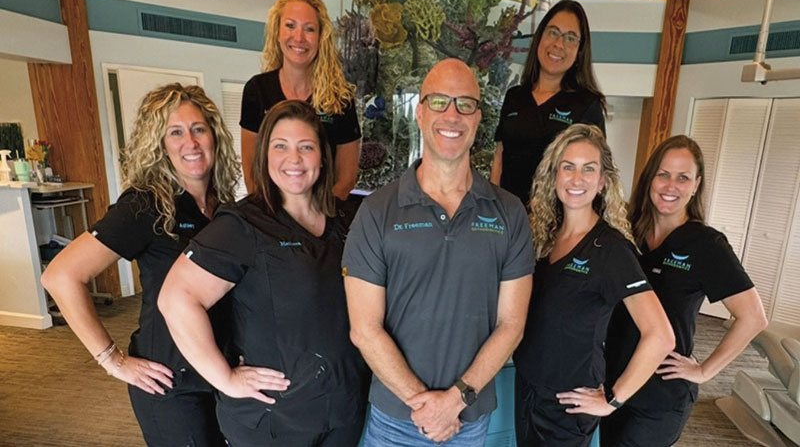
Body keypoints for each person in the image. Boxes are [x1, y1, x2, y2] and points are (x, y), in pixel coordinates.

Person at [342, 58, 535, 446]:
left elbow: (511, 324)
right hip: (395, 421)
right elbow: (364, 329)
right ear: (419, 112)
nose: (452, 115)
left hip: (468, 419)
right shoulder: (377, 211)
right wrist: (427, 408)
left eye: (465, 104)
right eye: (439, 101)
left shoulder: (510, 212)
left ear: (478, 118)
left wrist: (455, 401)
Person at [158, 100, 369, 447]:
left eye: (306, 147)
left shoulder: (347, 220)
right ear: (264, 156)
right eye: (280, 146)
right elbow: (176, 298)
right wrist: (225, 379)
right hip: (274, 419)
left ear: (322, 157)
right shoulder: (244, 223)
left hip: (343, 410)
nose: (294, 159)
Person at [41, 83, 239, 447]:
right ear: (159, 144)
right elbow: (60, 276)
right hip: (171, 383)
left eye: (198, 129)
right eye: (175, 132)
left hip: (219, 372)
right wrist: (112, 360)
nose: (191, 142)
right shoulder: (146, 205)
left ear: (214, 136)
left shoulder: (223, 205)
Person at [513, 123, 674, 447]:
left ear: (602, 181)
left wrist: (613, 400)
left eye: (589, 169)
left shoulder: (611, 249)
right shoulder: (543, 238)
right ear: (554, 176)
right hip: (528, 388)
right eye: (568, 167)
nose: (577, 179)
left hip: (569, 404)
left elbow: (661, 336)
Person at [601, 135, 768, 447]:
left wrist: (704, 371)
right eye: (663, 174)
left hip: (660, 394)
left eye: (683, 178)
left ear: (696, 185)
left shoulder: (706, 244)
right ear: (650, 178)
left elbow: (753, 317)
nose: (670, 186)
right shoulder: (625, 230)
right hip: (612, 380)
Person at [240, 0, 360, 201]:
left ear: (321, 37)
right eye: (290, 26)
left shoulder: (340, 98)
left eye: (309, 29)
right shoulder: (257, 90)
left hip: (324, 213)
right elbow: (252, 174)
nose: (299, 37)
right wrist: (273, 216)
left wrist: (316, 214)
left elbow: (346, 178)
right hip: (270, 213)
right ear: (277, 32)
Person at [491, 0, 606, 205]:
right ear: (540, 37)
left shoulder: (587, 105)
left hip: (556, 219)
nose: (559, 44)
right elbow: (499, 159)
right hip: (509, 216)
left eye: (570, 38)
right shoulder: (514, 97)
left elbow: (594, 173)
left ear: (580, 51)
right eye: (553, 32)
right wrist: (493, 209)